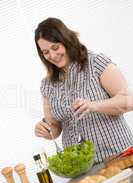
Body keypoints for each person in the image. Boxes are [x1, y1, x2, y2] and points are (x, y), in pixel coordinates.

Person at [34, 17, 133, 164]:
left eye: (55, 47)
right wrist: (44, 130)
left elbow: (128, 101)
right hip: (79, 166)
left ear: (67, 40)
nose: (52, 56)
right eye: (46, 52)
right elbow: (54, 127)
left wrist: (94, 105)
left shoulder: (96, 62)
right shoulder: (47, 84)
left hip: (117, 156)